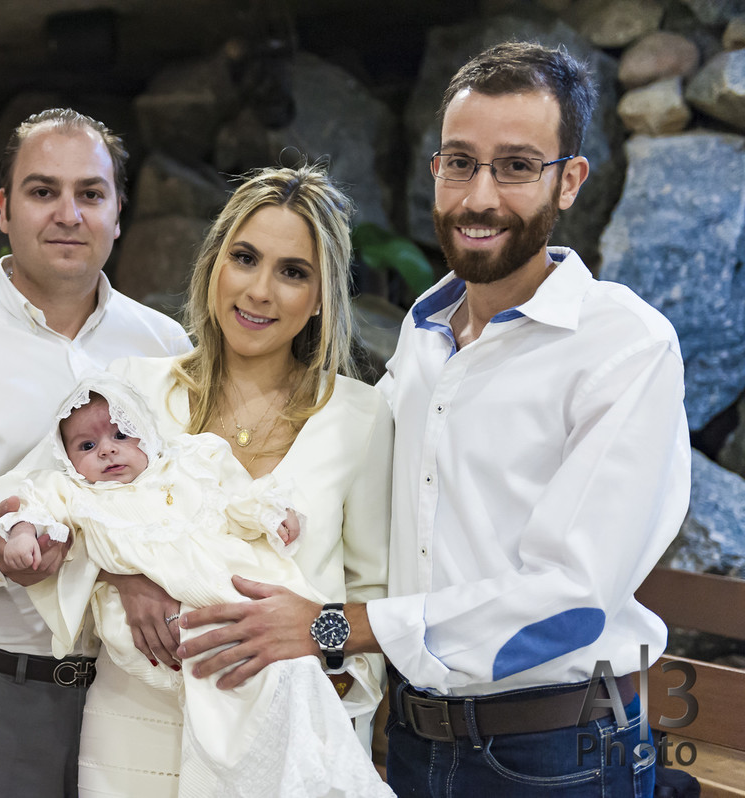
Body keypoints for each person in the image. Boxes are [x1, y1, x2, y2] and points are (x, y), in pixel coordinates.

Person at [177, 42, 691, 797]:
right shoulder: (424, 332)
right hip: (416, 743)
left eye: (516, 166)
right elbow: (340, 473)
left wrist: (331, 625)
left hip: (561, 753)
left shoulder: (623, 345)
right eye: (460, 162)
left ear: (570, 181)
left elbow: (571, 603)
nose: (479, 195)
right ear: (435, 172)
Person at [0, 108, 190, 798]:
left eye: (90, 193)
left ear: (118, 212)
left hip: (140, 692)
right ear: (3, 208)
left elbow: (183, 495)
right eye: (42, 191)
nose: (68, 213)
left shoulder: (165, 346)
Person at [69, 163, 393, 796]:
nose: (260, 291)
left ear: (322, 295)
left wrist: (327, 666)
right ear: (215, 264)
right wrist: (122, 573)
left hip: (287, 743)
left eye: (293, 272)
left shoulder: (361, 415)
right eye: (245, 258)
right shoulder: (132, 392)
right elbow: (51, 513)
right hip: (137, 736)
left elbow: (378, 599)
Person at [0, 375, 392, 797]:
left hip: (226, 596)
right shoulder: (74, 490)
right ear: (67, 458)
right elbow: (32, 505)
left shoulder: (185, 466)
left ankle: (306, 770)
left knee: (276, 672)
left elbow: (236, 504)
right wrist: (21, 535)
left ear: (145, 432)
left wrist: (271, 516)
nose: (107, 449)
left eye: (121, 434)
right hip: (146, 670)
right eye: (86, 447)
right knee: (225, 677)